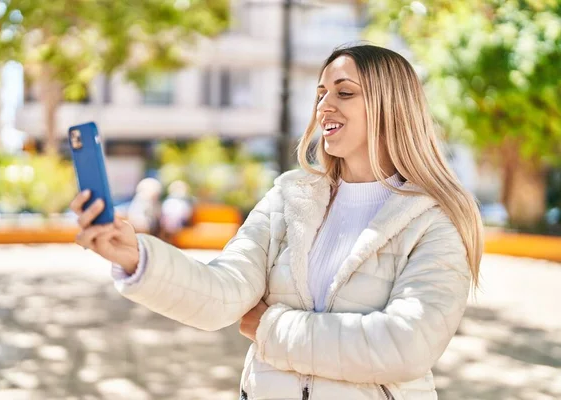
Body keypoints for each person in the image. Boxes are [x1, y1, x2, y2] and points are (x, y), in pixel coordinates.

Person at [70, 44, 483, 400]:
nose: (324, 106)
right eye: (321, 93)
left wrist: (273, 327)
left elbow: (405, 345)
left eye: (345, 92)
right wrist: (136, 256)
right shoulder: (290, 197)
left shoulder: (434, 219)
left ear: (391, 106)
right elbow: (223, 293)